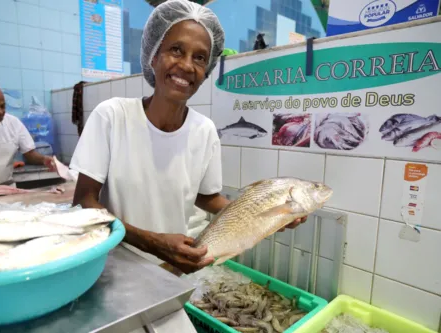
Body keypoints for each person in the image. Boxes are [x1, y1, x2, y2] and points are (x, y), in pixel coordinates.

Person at [70, 0, 307, 273]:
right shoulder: (112, 116)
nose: (186, 65)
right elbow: (84, 202)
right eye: (176, 50)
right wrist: (150, 242)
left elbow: (206, 197)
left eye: (199, 57)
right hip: (111, 267)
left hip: (172, 269)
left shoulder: (204, 131)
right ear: (154, 57)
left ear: (206, 72)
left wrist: (266, 215)